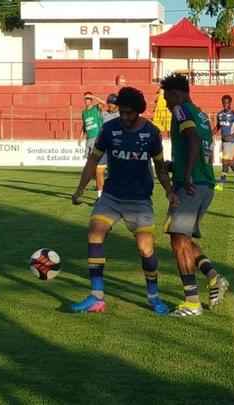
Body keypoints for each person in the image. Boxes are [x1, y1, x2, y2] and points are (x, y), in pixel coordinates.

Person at [71, 87, 177, 315]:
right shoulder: (109, 129)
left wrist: (169, 191)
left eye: (130, 113)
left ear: (138, 111)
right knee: (94, 233)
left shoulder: (152, 133)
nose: (125, 117)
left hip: (139, 200)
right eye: (122, 112)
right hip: (111, 196)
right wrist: (80, 190)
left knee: (145, 249)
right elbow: (93, 160)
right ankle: (96, 297)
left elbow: (159, 167)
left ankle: (153, 297)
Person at [161, 73, 230, 317]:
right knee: (184, 238)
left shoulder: (181, 111)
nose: (167, 104)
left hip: (191, 184)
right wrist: (178, 166)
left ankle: (192, 302)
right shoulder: (200, 114)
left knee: (178, 240)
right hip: (205, 184)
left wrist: (186, 174)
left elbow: (191, 140)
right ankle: (213, 278)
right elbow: (200, 147)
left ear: (178, 94)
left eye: (167, 98)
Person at [80, 92, 107, 198]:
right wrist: (81, 136)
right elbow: (84, 125)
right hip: (88, 140)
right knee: (89, 164)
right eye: (85, 99)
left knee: (96, 165)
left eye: (88, 99)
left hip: (97, 138)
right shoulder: (84, 112)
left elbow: (104, 103)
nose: (87, 101)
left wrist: (94, 97)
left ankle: (100, 188)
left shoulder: (96, 108)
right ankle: (98, 183)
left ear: (91, 100)